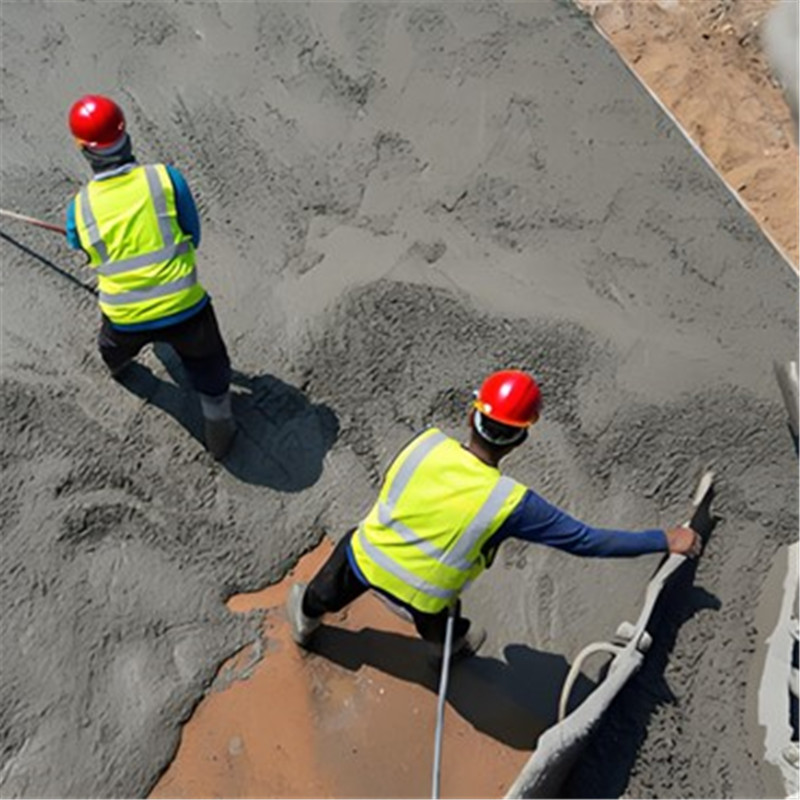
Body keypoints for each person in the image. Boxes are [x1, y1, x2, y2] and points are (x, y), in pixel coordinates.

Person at [286, 369, 702, 661]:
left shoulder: (424, 445)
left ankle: (307, 621)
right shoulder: (512, 503)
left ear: (472, 416)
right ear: (520, 439)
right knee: (444, 625)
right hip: (426, 598)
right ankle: (449, 650)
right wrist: (665, 539)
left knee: (331, 577)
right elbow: (587, 541)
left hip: (365, 561)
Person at [65, 94, 236, 459]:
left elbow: (81, 246)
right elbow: (193, 235)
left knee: (111, 346)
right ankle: (219, 417)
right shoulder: (165, 179)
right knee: (208, 362)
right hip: (186, 308)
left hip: (125, 317)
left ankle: (120, 367)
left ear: (84, 149)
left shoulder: (80, 207)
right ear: (126, 134)